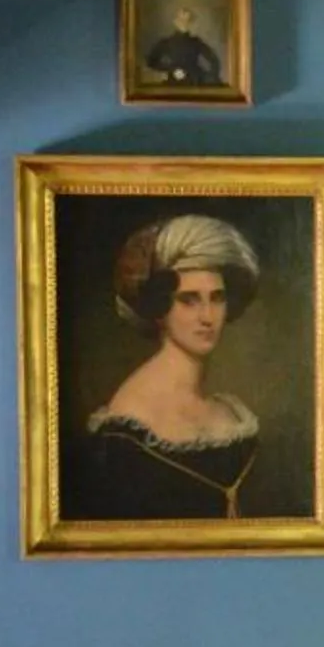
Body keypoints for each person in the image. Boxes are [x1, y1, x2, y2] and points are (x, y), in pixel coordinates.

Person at [76, 214, 261, 521]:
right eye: (189, 300)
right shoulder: (129, 429)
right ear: (159, 309)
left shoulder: (231, 412)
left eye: (217, 298)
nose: (207, 316)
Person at [143, 3, 223, 92]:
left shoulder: (196, 42)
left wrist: (206, 76)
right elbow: (150, 61)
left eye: (187, 20)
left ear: (190, 23)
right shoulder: (166, 42)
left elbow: (214, 60)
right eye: (181, 20)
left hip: (195, 83)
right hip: (173, 84)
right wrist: (171, 70)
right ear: (175, 22)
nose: (184, 23)